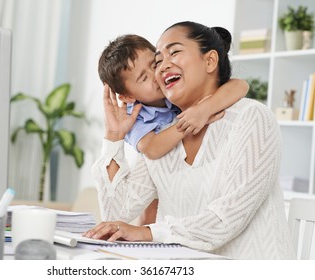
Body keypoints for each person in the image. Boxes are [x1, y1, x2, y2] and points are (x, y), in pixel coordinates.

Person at [87, 21, 295, 260]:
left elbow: (226, 220)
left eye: (174, 52)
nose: (162, 66)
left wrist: (147, 232)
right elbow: (117, 212)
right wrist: (114, 137)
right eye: (158, 61)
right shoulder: (162, 135)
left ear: (209, 61)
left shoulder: (251, 118)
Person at [97, 34, 248, 225]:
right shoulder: (135, 115)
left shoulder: (178, 89)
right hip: (158, 191)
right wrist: (189, 121)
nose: (156, 75)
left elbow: (240, 85)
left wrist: (204, 109)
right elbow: (152, 148)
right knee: (150, 215)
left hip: (196, 190)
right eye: (143, 78)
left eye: (154, 64)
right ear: (127, 96)